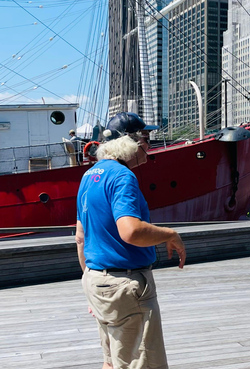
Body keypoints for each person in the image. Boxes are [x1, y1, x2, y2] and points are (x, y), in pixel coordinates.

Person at [75, 112, 186, 369]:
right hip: (126, 285)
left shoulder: (89, 176)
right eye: (146, 139)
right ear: (131, 142)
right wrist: (171, 234)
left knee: (112, 361)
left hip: (96, 281)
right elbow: (131, 232)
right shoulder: (123, 177)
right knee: (142, 362)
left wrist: (92, 282)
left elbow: (81, 237)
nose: (149, 146)